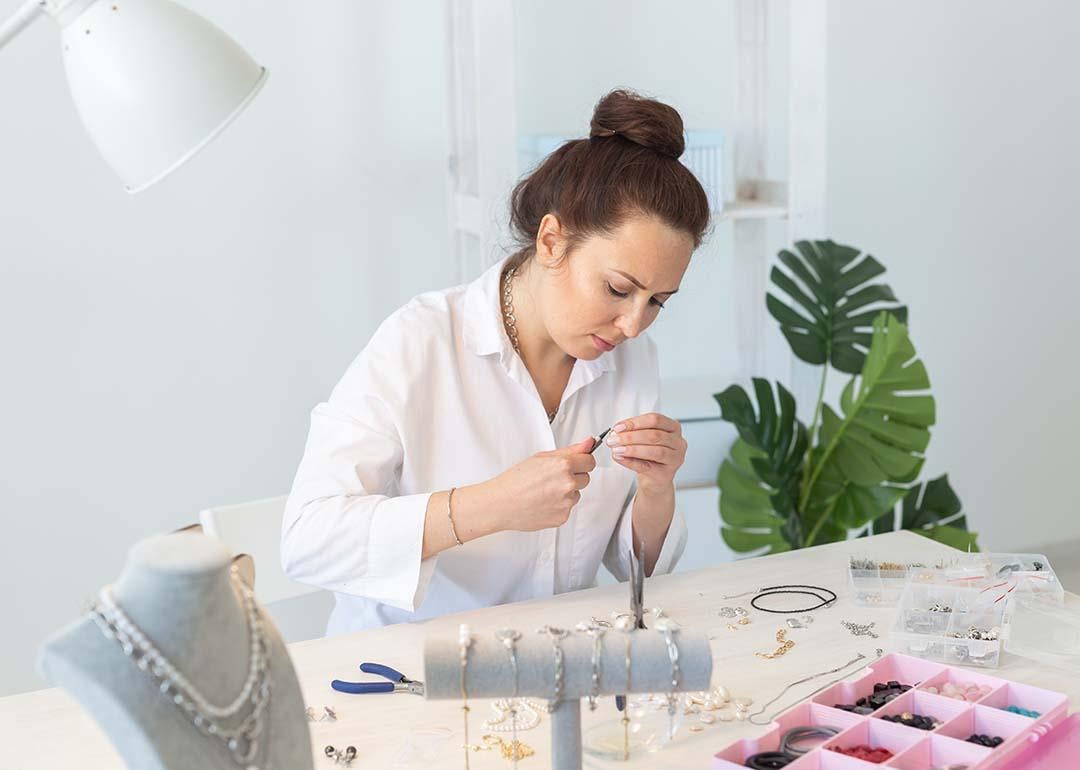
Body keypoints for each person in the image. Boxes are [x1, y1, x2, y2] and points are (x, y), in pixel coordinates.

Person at [281, 89, 711, 634]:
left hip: (550, 671)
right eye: (618, 289)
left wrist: (657, 486)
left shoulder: (632, 361)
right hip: (402, 672)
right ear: (552, 241)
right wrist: (490, 506)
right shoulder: (422, 341)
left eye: (656, 302)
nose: (632, 325)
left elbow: (636, 569)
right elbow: (307, 539)